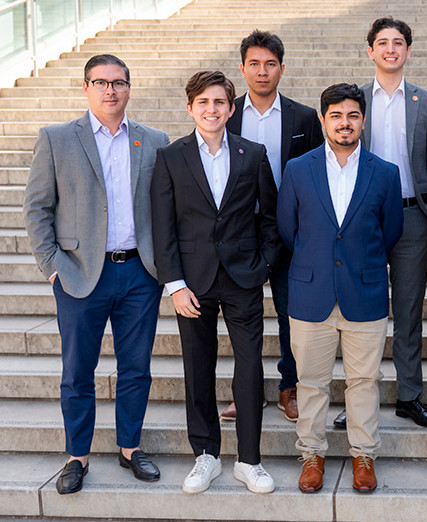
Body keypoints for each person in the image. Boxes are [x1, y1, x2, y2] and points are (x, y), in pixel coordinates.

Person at [23, 54, 169, 494]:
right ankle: (77, 455)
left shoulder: (155, 140)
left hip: (139, 275)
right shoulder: (56, 139)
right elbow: (36, 208)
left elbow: (165, 209)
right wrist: (53, 267)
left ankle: (130, 448)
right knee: (77, 370)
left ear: (130, 87)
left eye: (118, 82)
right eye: (101, 82)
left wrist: (162, 270)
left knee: (137, 368)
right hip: (81, 274)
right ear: (85, 87)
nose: (110, 90)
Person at [151, 71, 281, 495]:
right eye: (203, 102)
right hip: (193, 282)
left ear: (231, 107)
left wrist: (262, 265)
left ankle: (249, 460)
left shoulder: (253, 152)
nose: (212, 110)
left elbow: (269, 217)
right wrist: (174, 283)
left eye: (220, 102)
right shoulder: (170, 157)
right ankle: (205, 455)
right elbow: (163, 226)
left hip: (243, 277)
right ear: (190, 108)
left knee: (249, 368)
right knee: (197, 368)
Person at [277, 83, 403, 494]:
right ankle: (311, 453)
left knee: (364, 381)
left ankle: (363, 455)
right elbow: (288, 231)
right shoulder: (298, 169)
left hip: (363, 291)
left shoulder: (385, 173)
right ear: (322, 120)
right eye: (336, 115)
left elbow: (390, 233)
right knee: (310, 382)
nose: (344, 123)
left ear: (363, 121)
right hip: (311, 291)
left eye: (352, 115)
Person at [333, 17, 427, 431]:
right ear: (370, 50)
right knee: (359, 312)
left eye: (399, 42)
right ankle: (358, 397)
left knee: (410, 309)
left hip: (413, 217)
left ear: (408, 51)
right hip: (361, 218)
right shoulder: (354, 99)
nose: (391, 49)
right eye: (382, 42)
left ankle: (409, 396)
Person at [222, 30, 325, 423]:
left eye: (270, 64)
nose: (262, 71)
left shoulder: (302, 117)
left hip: (288, 231)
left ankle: (289, 387)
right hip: (237, 231)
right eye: (254, 64)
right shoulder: (226, 113)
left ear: (282, 68)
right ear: (243, 68)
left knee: (289, 313)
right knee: (240, 315)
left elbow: (317, 174)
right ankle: (244, 392)